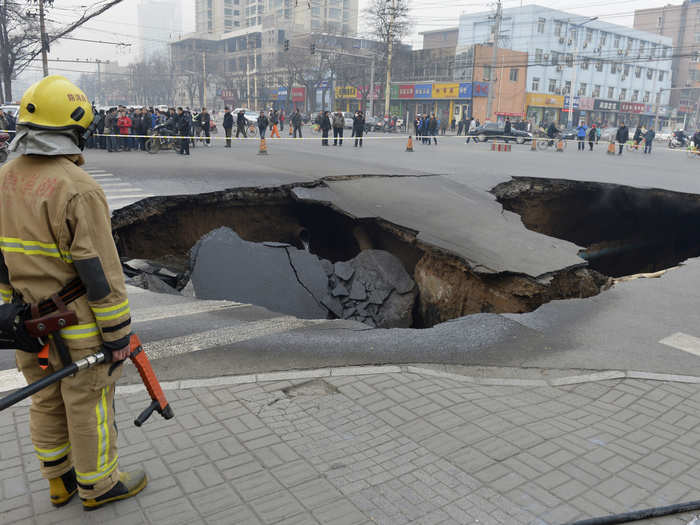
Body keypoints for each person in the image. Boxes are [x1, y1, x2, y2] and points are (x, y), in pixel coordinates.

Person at [0, 75, 146, 511]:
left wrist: (10, 310)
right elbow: (99, 271)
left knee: (45, 397)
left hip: (26, 321)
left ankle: (58, 480)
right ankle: (99, 486)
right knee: (88, 403)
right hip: (75, 322)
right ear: (75, 126)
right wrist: (118, 335)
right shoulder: (77, 188)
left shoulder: (3, 178)